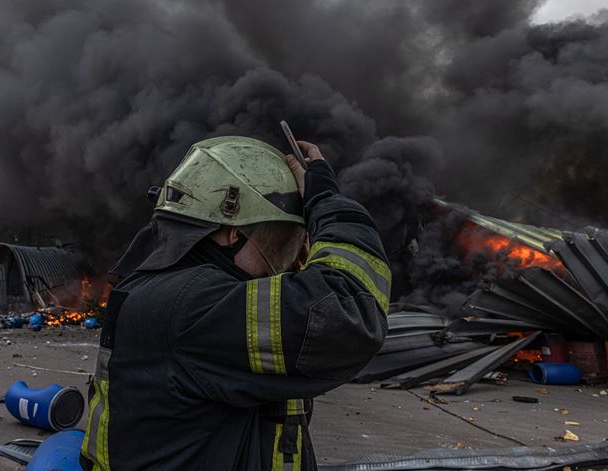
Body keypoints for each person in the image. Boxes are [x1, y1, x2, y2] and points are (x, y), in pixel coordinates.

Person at [80, 136, 391, 471]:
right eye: (283, 238)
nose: (293, 255)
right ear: (233, 232)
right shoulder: (195, 306)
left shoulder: (158, 291)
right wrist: (329, 203)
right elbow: (349, 312)